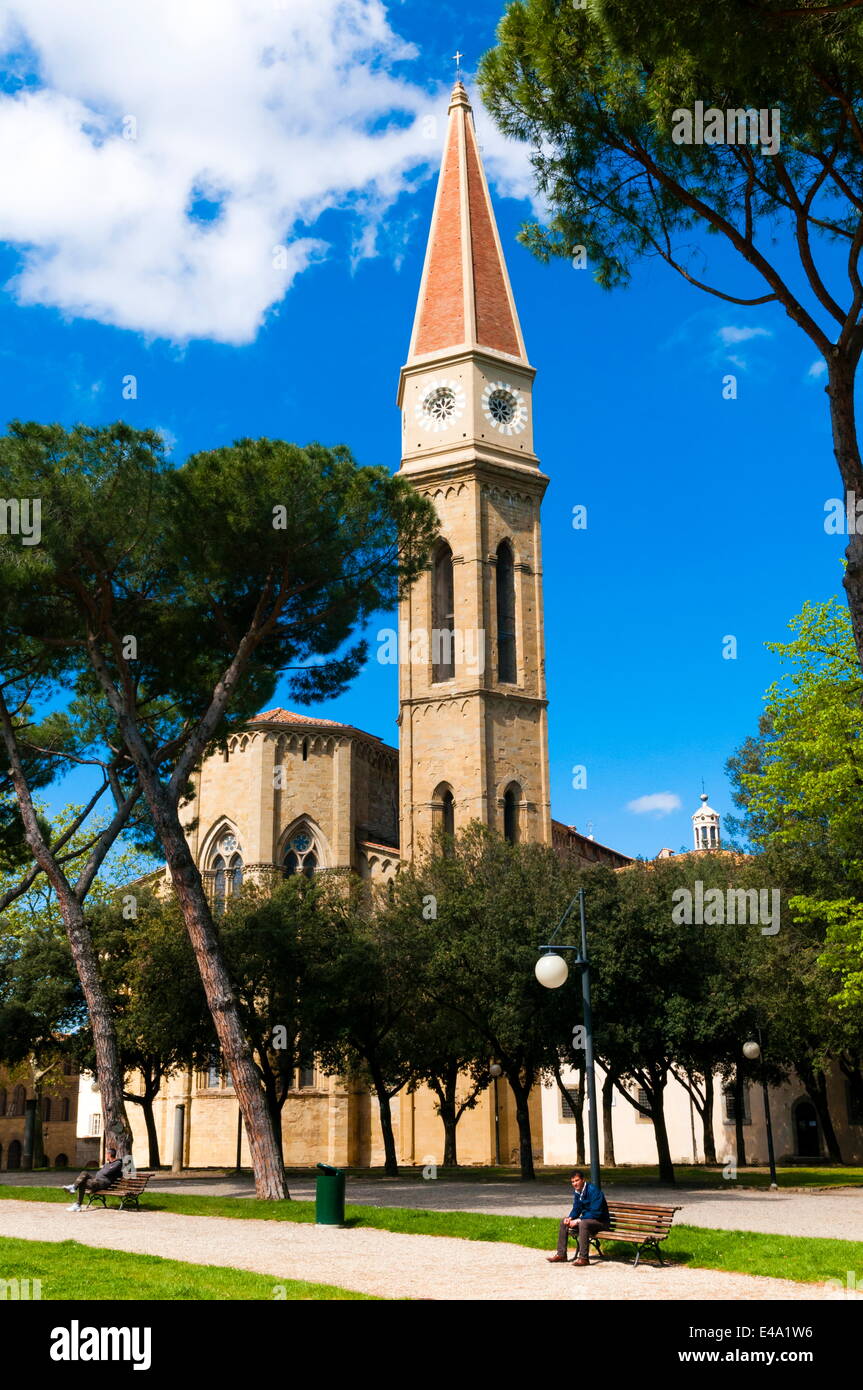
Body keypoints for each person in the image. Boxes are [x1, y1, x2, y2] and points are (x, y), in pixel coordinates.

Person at [547, 1170, 610, 1266]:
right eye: (572, 1182)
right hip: (589, 1221)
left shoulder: (594, 1191)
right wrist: (570, 1217)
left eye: (577, 1181)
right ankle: (561, 1254)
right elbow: (577, 1208)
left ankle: (584, 1258)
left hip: (601, 1222)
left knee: (583, 1224)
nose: (575, 1184)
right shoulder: (578, 1192)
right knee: (564, 1222)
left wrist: (578, 1220)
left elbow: (596, 1212)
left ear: (583, 1180)